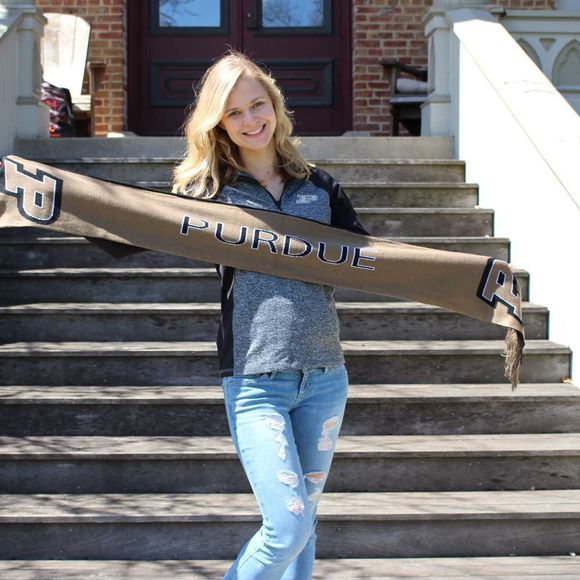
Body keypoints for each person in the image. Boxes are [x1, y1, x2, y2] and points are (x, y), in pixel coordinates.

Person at [172, 51, 368, 580]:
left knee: (304, 527)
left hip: (325, 378)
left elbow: (374, 261)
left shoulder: (320, 187)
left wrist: (464, 280)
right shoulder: (210, 193)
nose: (250, 120)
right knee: (287, 526)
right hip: (256, 381)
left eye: (257, 105)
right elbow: (132, 223)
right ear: (218, 123)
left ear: (276, 106)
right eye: (234, 112)